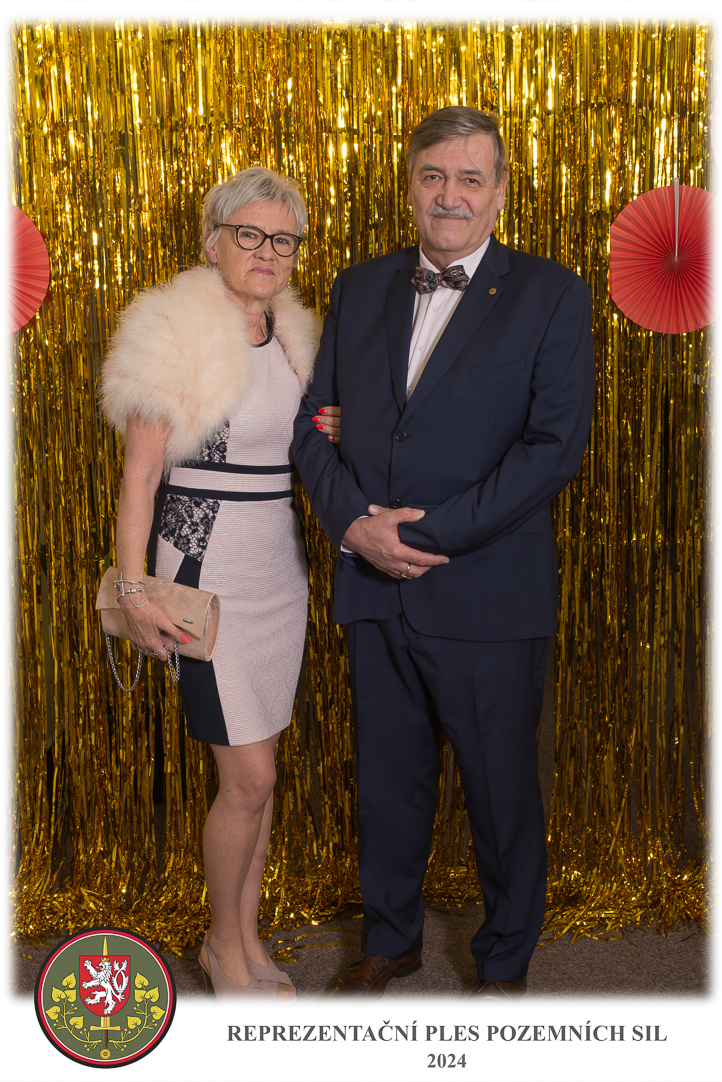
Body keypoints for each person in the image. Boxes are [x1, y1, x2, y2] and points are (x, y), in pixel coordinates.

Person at [293, 107, 595, 998]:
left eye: (470, 178)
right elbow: (312, 425)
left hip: (485, 591)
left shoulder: (550, 293)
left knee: (502, 793)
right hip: (372, 585)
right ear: (410, 187)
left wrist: (415, 538)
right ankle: (391, 939)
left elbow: (552, 450)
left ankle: (503, 963)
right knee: (387, 782)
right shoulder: (359, 287)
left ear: (499, 192)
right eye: (433, 176)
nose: (450, 195)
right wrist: (355, 526)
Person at [101, 167, 339, 998]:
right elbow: (140, 477)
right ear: (213, 242)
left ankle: (243, 941)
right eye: (249, 234)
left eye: (284, 239)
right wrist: (135, 591)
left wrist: (334, 424)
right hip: (202, 566)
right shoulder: (171, 329)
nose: (267, 251)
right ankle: (220, 946)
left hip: (278, 569)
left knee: (259, 776)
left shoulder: (295, 334)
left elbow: (300, 442)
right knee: (250, 779)